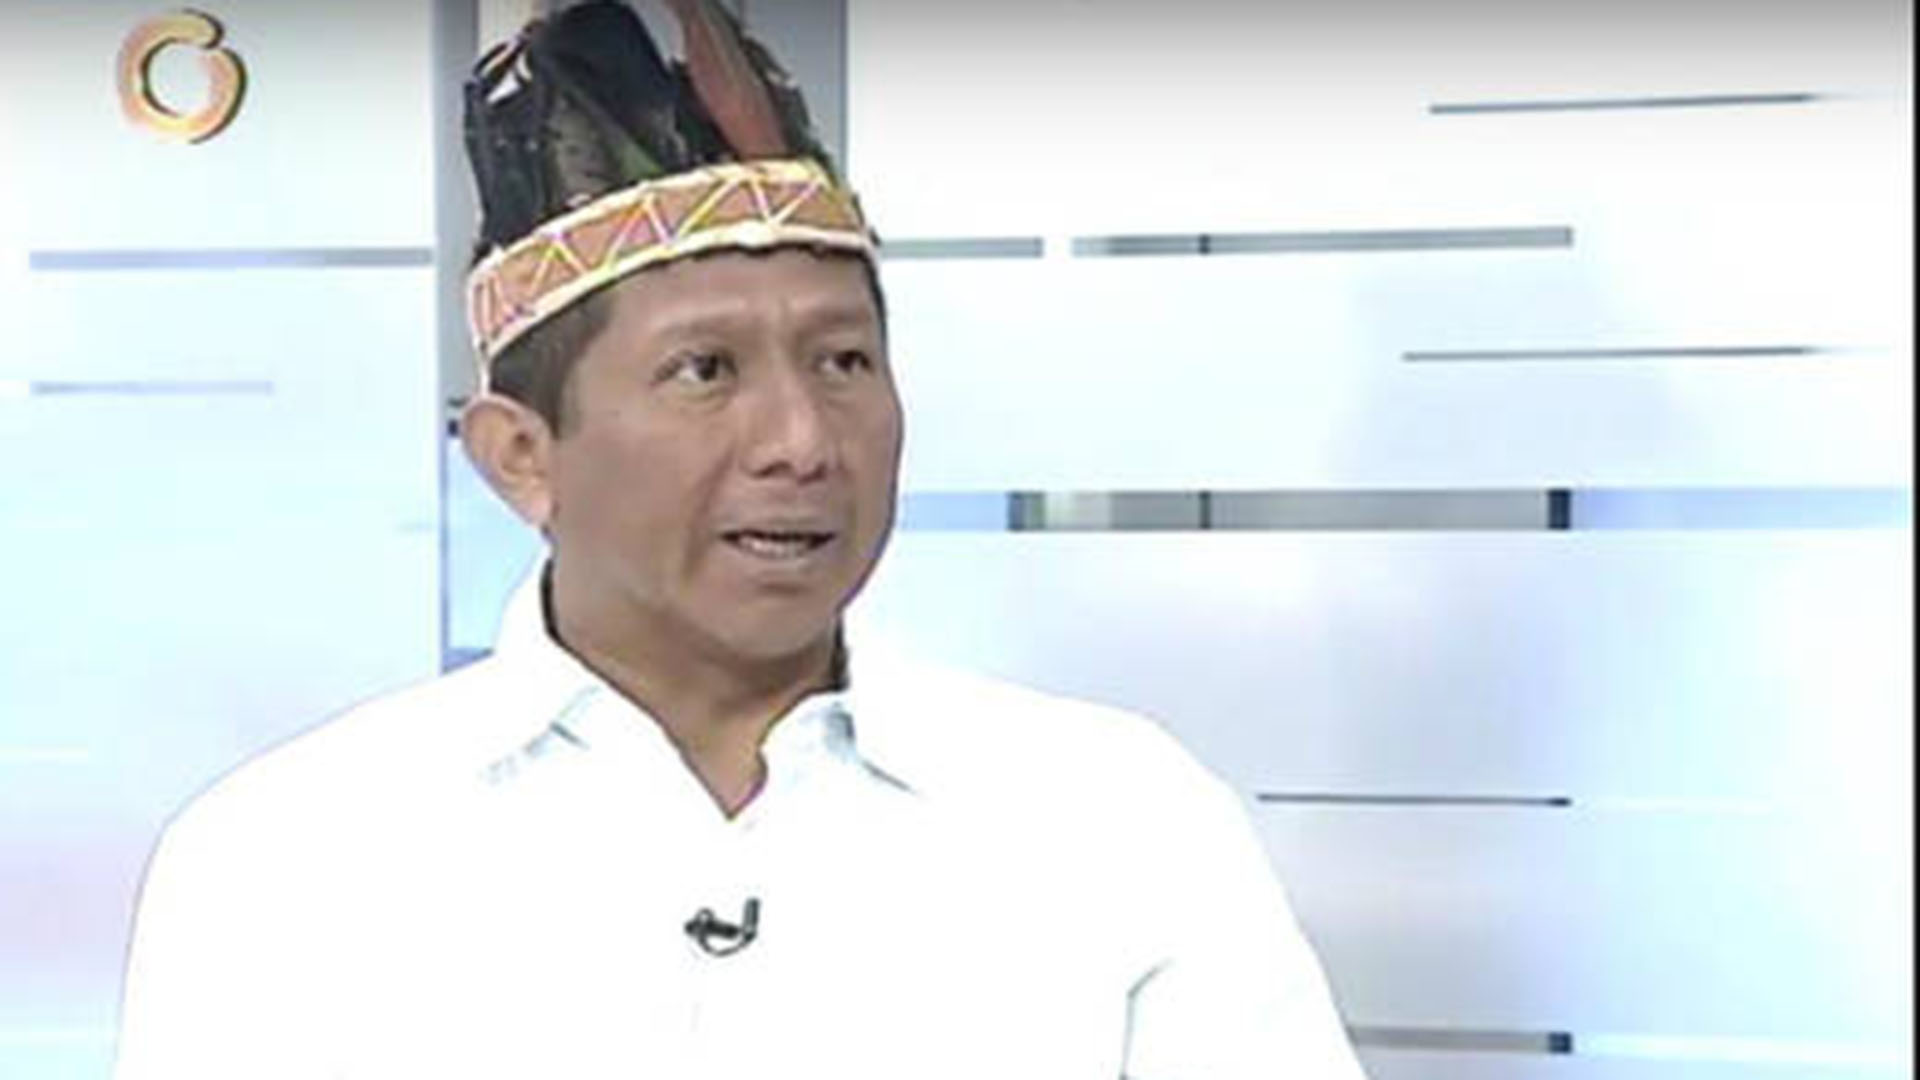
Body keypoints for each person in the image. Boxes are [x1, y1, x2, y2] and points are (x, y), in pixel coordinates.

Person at [113, 3, 1367, 1077]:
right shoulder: (290, 857)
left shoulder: (1115, 814)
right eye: (704, 371)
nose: (802, 442)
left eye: (844, 362)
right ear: (521, 457)